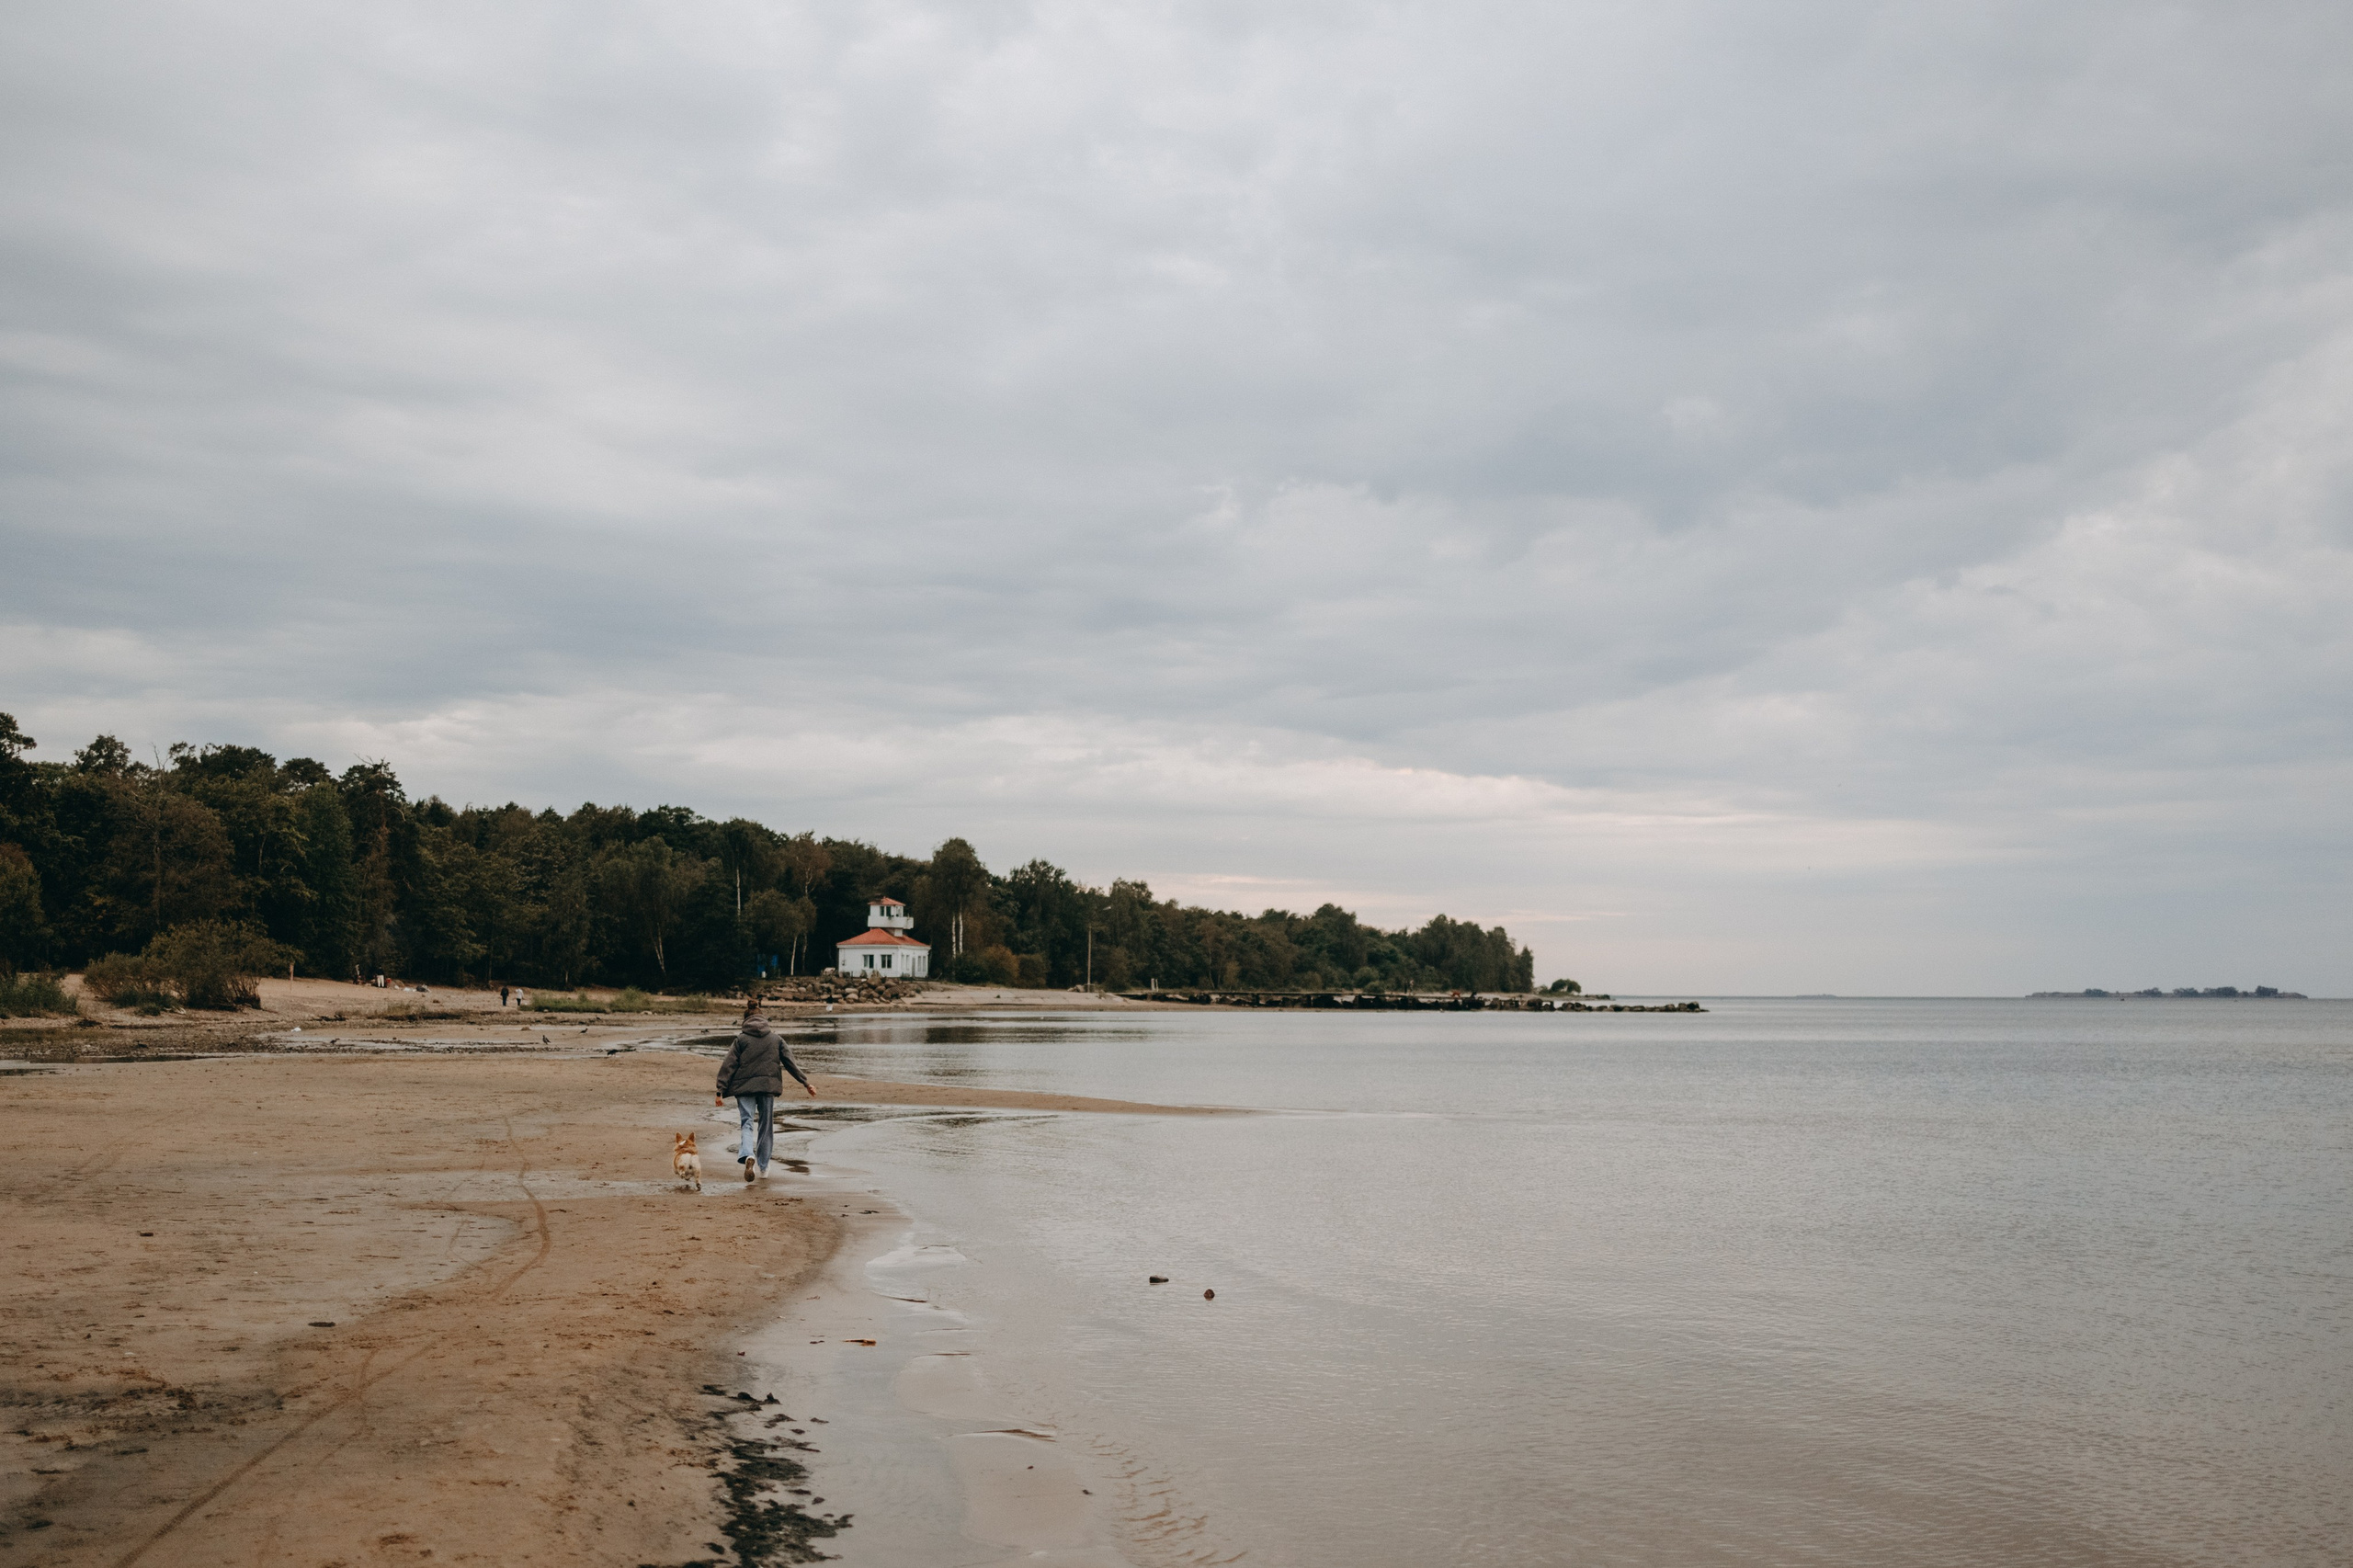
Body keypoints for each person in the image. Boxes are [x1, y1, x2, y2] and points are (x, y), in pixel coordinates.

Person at [714, 1006, 814, 1182]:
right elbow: (790, 1062)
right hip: (767, 1087)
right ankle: (764, 1167)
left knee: (747, 1122)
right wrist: (805, 1082)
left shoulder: (741, 1039)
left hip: (744, 1088)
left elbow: (728, 1064)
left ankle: (748, 1154)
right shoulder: (776, 1039)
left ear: (745, 1020)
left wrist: (719, 1090)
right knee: (766, 1126)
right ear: (763, 1018)